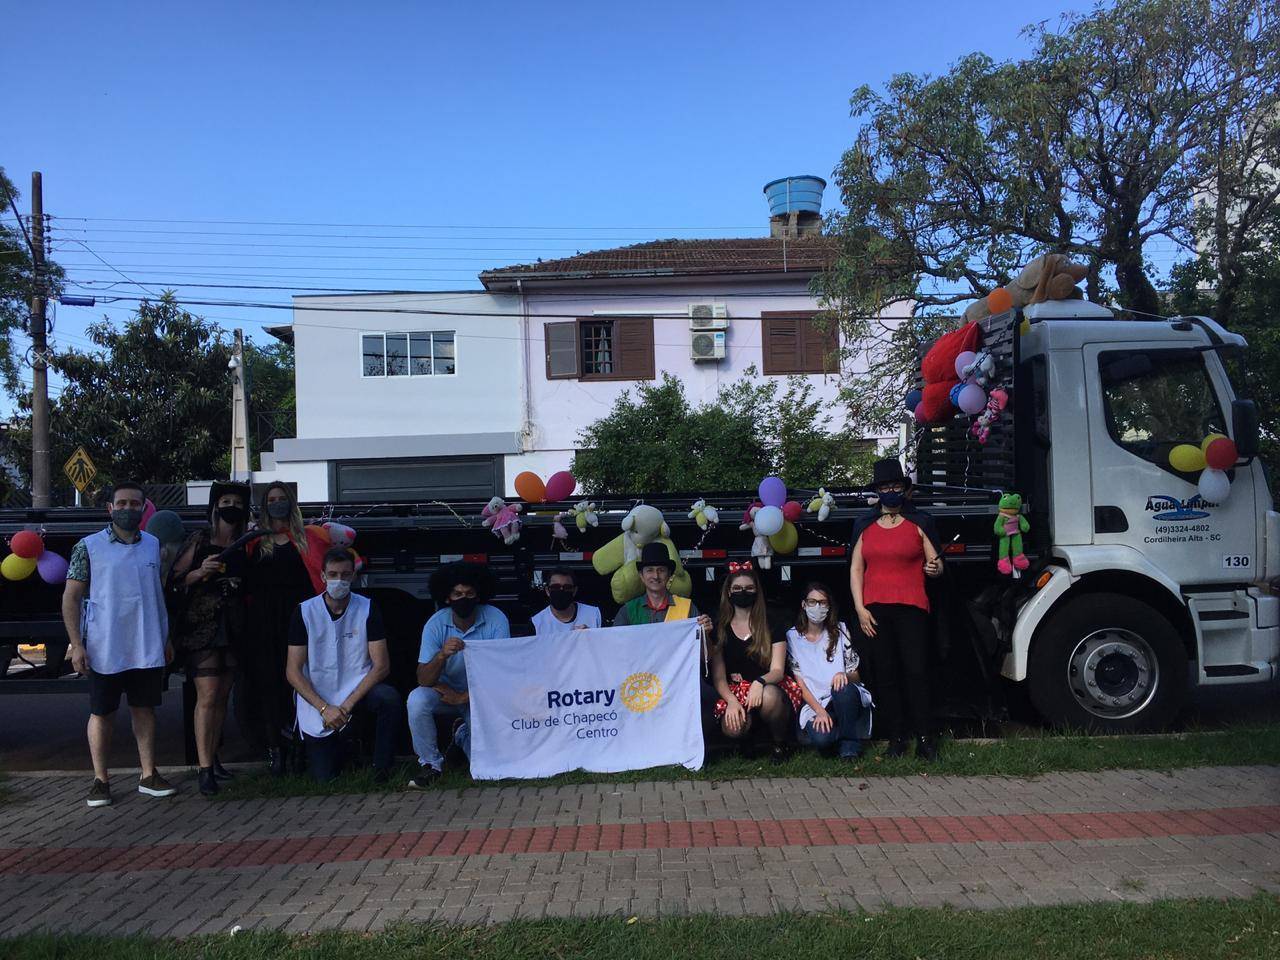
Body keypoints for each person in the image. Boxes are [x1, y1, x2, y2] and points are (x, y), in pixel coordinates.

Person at [61, 480, 177, 807]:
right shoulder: (89, 547)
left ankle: (148, 774)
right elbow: (71, 598)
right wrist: (76, 644)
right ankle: (100, 780)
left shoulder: (154, 545)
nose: (128, 509)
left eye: (134, 504)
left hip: (146, 644)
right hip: (104, 645)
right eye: (122, 504)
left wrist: (165, 637)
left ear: (144, 508)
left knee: (145, 710)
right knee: (102, 713)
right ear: (110, 508)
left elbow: (159, 595)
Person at [850, 458, 944, 760]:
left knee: (916, 673)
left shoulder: (920, 522)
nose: (891, 491)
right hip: (875, 611)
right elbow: (855, 570)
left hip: (912, 608)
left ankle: (926, 738)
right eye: (885, 487)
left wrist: (934, 569)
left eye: (895, 486)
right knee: (885, 675)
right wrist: (860, 610)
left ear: (904, 489)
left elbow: (936, 563)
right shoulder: (863, 525)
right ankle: (896, 738)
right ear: (878, 490)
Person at [286, 547, 399, 783]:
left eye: (345, 574)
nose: (339, 580)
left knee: (388, 698)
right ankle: (340, 749)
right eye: (333, 574)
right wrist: (325, 709)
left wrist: (345, 707)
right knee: (324, 777)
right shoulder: (304, 612)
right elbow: (293, 672)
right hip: (318, 700)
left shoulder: (368, 608)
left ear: (354, 576)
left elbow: (381, 666)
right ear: (323, 576)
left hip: (357, 693)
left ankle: (382, 769)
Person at [167, 480, 250, 796]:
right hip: (203, 626)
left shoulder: (247, 541)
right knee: (208, 694)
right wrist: (200, 572)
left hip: (235, 626)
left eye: (238, 502)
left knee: (223, 695)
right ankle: (204, 770)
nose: (232, 507)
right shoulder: (199, 540)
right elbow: (175, 580)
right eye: (226, 500)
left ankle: (213, 757)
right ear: (215, 506)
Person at [244, 482, 326, 775]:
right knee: (269, 685)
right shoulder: (255, 541)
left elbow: (320, 578)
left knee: (302, 682)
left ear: (291, 502)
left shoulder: (309, 538)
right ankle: (275, 748)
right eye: (272, 499)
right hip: (264, 623)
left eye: (282, 499)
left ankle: (302, 746)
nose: (277, 503)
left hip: (299, 621)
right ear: (264, 505)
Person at [406, 562, 510, 787]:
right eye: (458, 594)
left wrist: (463, 697)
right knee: (416, 700)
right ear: (447, 597)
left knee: (486, 770)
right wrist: (442, 656)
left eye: (470, 593)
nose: (464, 599)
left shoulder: (496, 619)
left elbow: (502, 673)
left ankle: (461, 734)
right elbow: (423, 679)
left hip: (482, 695)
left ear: (479, 594)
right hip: (444, 693)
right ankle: (431, 765)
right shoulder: (435, 624)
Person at [708, 562, 801, 762]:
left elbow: (777, 670)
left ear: (757, 592)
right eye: (738, 589)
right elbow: (719, 677)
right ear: (729, 593)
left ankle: (780, 743)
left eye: (749, 588)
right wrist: (732, 702)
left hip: (767, 685)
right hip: (736, 691)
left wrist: (759, 682)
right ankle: (746, 738)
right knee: (733, 727)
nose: (743, 592)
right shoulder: (720, 628)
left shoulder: (772, 622)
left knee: (769, 697)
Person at [786, 582, 872, 761]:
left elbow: (856, 676)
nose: (817, 607)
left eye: (822, 603)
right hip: (816, 703)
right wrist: (819, 711)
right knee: (823, 740)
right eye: (812, 602)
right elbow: (800, 684)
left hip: (843, 697)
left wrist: (844, 675)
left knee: (843, 689)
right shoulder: (792, 637)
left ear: (829, 606)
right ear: (804, 605)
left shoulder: (840, 630)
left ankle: (849, 746)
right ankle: (837, 730)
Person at [611, 542, 713, 634]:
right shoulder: (628, 611)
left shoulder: (687, 608)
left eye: (661, 570)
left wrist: (706, 634)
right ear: (641, 576)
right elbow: (616, 648)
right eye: (650, 570)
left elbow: (702, 652)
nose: (656, 576)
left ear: (669, 575)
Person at [531, 567, 601, 635]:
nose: (561, 591)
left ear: (574, 591)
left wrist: (592, 636)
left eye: (567, 587)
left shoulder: (594, 614)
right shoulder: (536, 623)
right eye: (555, 587)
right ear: (547, 591)